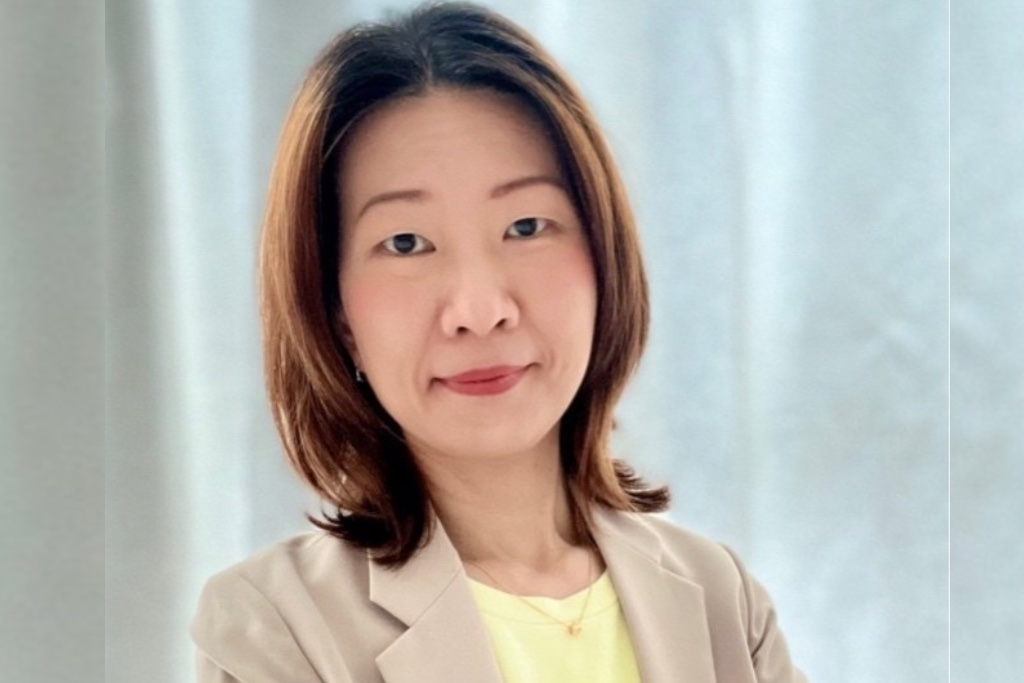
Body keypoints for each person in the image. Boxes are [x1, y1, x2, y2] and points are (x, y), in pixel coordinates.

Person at [191, 3, 808, 682]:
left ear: (603, 260)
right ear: (337, 315)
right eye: (406, 242)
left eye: (526, 226)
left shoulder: (723, 599)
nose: (480, 312)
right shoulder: (275, 626)